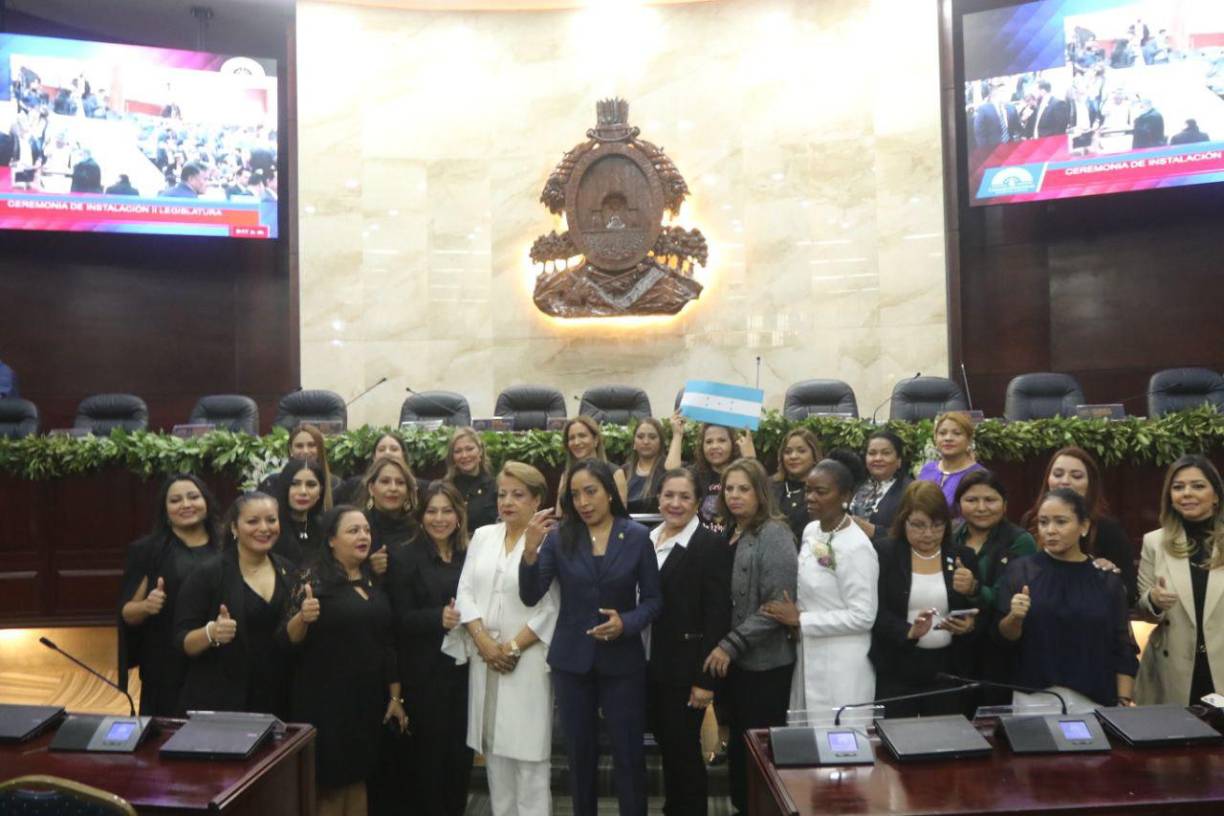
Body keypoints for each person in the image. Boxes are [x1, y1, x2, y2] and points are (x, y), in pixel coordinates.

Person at [519, 459, 662, 816]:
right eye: (575, 495)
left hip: (623, 662)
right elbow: (531, 594)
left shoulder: (638, 536)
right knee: (579, 758)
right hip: (572, 662)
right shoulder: (559, 537)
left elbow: (654, 600)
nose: (583, 502)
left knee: (629, 756)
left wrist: (626, 623)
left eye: (590, 491)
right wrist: (530, 552)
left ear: (609, 493)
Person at [444, 462, 559, 816]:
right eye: (502, 494)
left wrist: (509, 648)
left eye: (518, 495)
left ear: (537, 500)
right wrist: (483, 643)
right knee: (494, 758)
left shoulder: (549, 541)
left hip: (525, 661)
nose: (507, 502)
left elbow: (551, 607)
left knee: (530, 762)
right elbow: (464, 592)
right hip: (485, 658)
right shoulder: (482, 536)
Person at [282, 505, 407, 816]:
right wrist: (303, 618)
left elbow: (387, 642)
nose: (363, 535)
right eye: (353, 530)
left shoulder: (369, 580)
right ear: (331, 540)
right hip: (326, 705)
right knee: (331, 786)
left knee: (359, 781)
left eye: (366, 529)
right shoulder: (312, 579)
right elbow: (284, 640)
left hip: (366, 703)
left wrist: (395, 696)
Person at [700, 458, 796, 816]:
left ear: (761, 493)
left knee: (762, 757)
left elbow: (777, 605)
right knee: (740, 754)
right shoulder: (727, 531)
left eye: (744, 488)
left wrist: (730, 644)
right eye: (729, 488)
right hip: (736, 669)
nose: (735, 495)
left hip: (765, 667)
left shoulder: (774, 532)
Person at [997, 488, 1138, 711]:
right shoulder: (1021, 571)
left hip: (1095, 700)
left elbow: (1123, 647)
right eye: (1043, 522)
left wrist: (1124, 700)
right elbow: (1006, 636)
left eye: (1061, 522)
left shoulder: (1106, 581)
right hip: (1034, 700)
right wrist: (1015, 617)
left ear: (1084, 526)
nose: (1050, 530)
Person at [646, 468, 732, 816]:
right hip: (653, 666)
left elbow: (716, 617)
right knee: (670, 750)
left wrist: (705, 681)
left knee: (684, 755)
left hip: (687, 673)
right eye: (669, 496)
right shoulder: (648, 538)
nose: (675, 503)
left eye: (684, 497)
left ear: (698, 502)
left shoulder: (710, 545)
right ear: (658, 499)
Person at [763, 459, 878, 716]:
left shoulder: (857, 548)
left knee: (838, 743)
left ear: (845, 496)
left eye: (821, 492)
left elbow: (863, 616)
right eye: (808, 490)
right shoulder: (813, 530)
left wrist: (802, 619)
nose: (810, 498)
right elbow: (822, 569)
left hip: (842, 664)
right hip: (808, 653)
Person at [387, 482, 472, 816]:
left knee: (459, 760)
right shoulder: (404, 555)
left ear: (458, 514)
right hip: (425, 676)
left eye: (447, 511)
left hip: (465, 671)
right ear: (421, 515)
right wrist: (438, 617)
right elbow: (398, 619)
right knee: (429, 764)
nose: (440, 519)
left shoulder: (470, 553)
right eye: (432, 511)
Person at [175, 492, 294, 717]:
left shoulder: (289, 571)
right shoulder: (208, 573)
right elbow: (182, 642)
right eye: (252, 521)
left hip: (278, 699)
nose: (264, 528)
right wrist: (211, 632)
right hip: (223, 702)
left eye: (271, 520)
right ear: (234, 528)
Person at [871, 481, 981, 717]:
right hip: (897, 667)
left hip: (947, 669)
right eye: (918, 525)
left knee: (946, 742)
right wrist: (908, 631)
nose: (928, 534)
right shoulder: (884, 553)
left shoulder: (963, 557)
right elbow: (874, 611)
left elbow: (978, 610)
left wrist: (970, 610)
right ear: (903, 521)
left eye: (937, 525)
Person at [118, 474, 222, 715]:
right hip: (167, 666)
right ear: (165, 511)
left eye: (193, 497)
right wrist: (146, 606)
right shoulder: (147, 550)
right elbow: (126, 613)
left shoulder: (227, 544)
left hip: (217, 660)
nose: (186, 504)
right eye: (175, 500)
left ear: (206, 501)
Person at [1136, 455, 1224, 706]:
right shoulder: (1154, 542)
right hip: (1172, 668)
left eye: (1198, 486)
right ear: (1170, 497)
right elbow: (1145, 612)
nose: (1187, 493)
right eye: (1178, 487)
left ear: (1216, 495)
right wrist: (1153, 600)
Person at [951, 470, 1036, 705]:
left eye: (990, 500)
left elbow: (1009, 597)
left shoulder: (1020, 540)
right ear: (959, 505)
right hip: (955, 647)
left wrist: (974, 589)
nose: (981, 507)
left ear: (1005, 504)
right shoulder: (950, 535)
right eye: (971, 500)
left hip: (999, 648)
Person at [1021, 446, 1136, 604]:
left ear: (1090, 484)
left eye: (1076, 476)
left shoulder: (1109, 529)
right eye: (1058, 474)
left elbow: (1129, 594)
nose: (1065, 481)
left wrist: (1109, 576)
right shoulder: (1030, 521)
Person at [665, 413, 755, 533]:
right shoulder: (697, 473)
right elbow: (672, 475)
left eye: (722, 440)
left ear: (733, 444)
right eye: (708, 442)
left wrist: (750, 461)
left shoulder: (742, 472)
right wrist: (677, 435)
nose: (714, 446)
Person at [355, 456, 420, 578]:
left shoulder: (417, 529)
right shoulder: (356, 527)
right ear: (371, 488)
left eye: (400, 483)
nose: (393, 488)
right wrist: (368, 569)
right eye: (385, 482)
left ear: (408, 491)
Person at [849, 430, 912, 541]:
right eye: (872, 453)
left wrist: (874, 531)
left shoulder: (910, 491)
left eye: (886, 453)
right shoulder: (855, 483)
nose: (878, 458)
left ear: (899, 461)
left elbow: (913, 533)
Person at [556, 416, 629, 511]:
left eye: (582, 436)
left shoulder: (615, 473)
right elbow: (559, 516)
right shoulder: (566, 475)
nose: (576, 442)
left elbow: (621, 516)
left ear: (596, 440)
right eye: (571, 438)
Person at [917, 412, 984, 512]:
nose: (948, 438)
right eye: (942, 433)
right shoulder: (927, 469)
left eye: (957, 433)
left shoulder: (979, 475)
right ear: (935, 438)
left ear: (969, 439)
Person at [272, 457, 330, 567]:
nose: (303, 491)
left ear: (320, 491)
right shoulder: (270, 528)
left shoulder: (324, 528)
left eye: (311, 485)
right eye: (294, 484)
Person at [769, 428, 823, 544]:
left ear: (814, 456)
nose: (793, 456)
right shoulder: (770, 486)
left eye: (801, 451)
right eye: (788, 452)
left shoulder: (822, 491)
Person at [444, 427, 498, 532]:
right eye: (458, 451)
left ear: (480, 451)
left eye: (469, 449)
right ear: (452, 457)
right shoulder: (446, 488)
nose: (464, 455)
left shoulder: (495, 487)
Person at [334, 432, 409, 506]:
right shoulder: (354, 485)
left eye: (394, 449)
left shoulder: (419, 487)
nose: (387, 453)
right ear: (374, 457)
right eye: (381, 450)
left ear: (403, 455)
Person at [621, 418, 667, 514]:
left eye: (652, 437)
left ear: (661, 442)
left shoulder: (667, 469)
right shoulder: (622, 472)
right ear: (634, 442)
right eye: (640, 437)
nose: (646, 442)